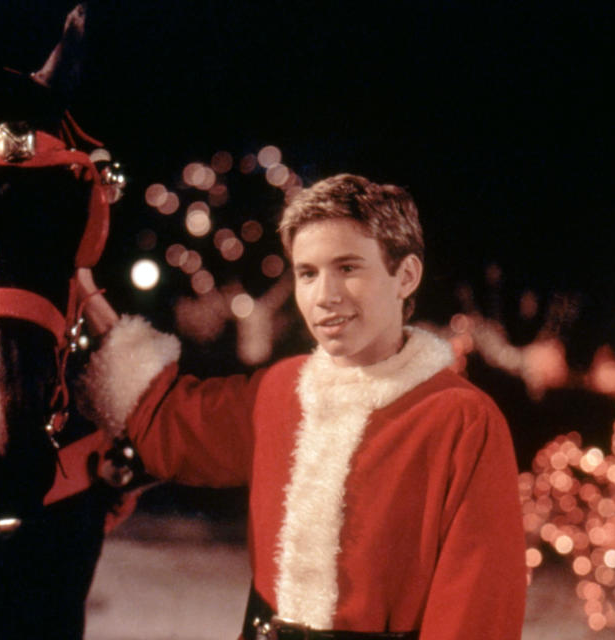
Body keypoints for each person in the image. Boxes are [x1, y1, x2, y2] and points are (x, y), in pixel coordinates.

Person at [78, 174, 527, 639]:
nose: (324, 296)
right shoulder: (281, 388)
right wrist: (110, 333)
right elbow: (173, 425)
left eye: (349, 268)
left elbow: (478, 608)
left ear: (406, 276)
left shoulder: (461, 419)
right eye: (307, 273)